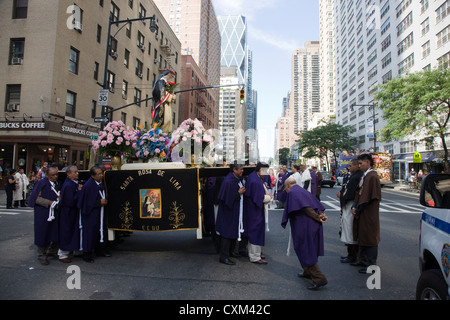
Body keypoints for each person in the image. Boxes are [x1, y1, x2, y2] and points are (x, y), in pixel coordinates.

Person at [281, 177, 328, 290]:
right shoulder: (301, 190)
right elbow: (315, 204)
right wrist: (320, 215)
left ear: (287, 186)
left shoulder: (292, 192)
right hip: (312, 224)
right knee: (309, 247)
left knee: (305, 249)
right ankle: (307, 271)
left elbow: (306, 207)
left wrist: (317, 217)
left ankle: (319, 277)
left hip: (305, 225)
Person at [352, 154, 381, 273]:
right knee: (362, 236)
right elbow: (360, 193)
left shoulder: (372, 176)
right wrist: (355, 206)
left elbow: (369, 196)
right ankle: (362, 260)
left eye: (361, 163)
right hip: (362, 211)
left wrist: (359, 208)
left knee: (370, 238)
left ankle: (371, 265)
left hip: (369, 212)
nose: (359, 166)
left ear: (368, 162)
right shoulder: (366, 175)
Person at [27, 166, 60, 265]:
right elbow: (35, 198)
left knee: (55, 231)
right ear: (47, 175)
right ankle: (42, 254)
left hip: (55, 211)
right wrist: (49, 202)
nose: (55, 176)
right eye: (53, 175)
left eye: (56, 174)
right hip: (43, 212)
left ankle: (52, 251)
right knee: (43, 232)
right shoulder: (41, 183)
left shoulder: (57, 184)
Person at [215, 163, 246, 265]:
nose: (242, 171)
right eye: (241, 169)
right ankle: (223, 257)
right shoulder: (229, 181)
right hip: (228, 212)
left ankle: (231, 252)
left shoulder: (235, 179)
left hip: (234, 210)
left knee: (232, 230)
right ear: (234, 170)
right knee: (227, 233)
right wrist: (238, 193)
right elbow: (228, 199)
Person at [77, 166, 110, 263]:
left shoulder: (101, 183)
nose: (101, 176)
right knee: (90, 233)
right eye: (98, 174)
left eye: (101, 173)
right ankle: (87, 254)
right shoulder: (88, 186)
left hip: (100, 213)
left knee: (100, 231)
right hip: (91, 214)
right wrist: (99, 202)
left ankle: (100, 250)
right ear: (92, 176)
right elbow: (85, 202)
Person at [337, 159, 363, 264]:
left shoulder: (357, 176)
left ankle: (353, 255)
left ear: (357, 166)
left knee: (350, 230)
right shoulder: (352, 175)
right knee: (347, 230)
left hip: (350, 204)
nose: (349, 167)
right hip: (347, 205)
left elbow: (352, 193)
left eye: (351, 165)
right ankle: (350, 254)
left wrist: (342, 197)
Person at [244, 163, 270, 264]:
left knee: (254, 232)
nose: (266, 174)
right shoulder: (255, 180)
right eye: (264, 171)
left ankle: (256, 254)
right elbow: (258, 198)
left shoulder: (253, 177)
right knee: (255, 232)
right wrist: (268, 198)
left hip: (253, 209)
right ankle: (255, 256)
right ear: (259, 170)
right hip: (254, 210)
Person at [58, 165, 83, 263]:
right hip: (67, 212)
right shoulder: (68, 185)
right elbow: (70, 201)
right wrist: (79, 192)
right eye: (75, 172)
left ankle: (75, 249)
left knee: (73, 232)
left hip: (72, 212)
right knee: (66, 232)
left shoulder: (73, 183)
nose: (77, 173)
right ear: (68, 174)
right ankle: (62, 254)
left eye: (77, 172)